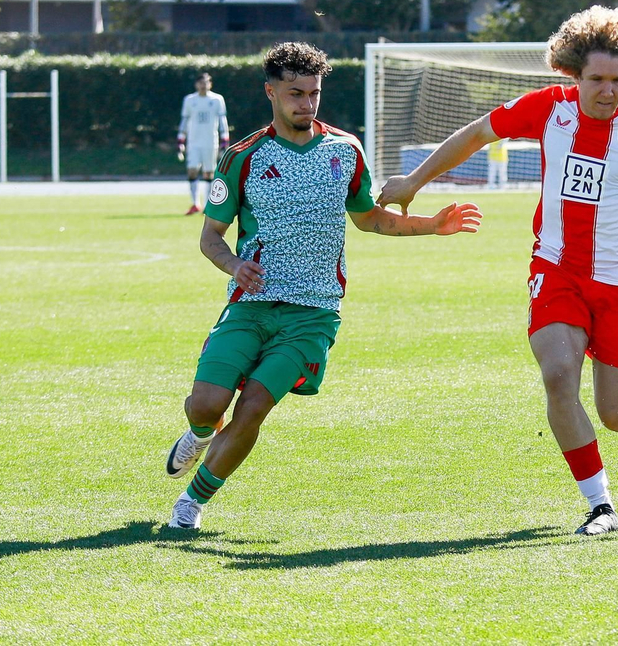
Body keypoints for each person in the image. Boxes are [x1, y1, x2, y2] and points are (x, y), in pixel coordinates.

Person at [378, 6, 618, 538]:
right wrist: (415, 182)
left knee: (617, 417)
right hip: (556, 269)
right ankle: (600, 504)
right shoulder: (548, 108)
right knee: (558, 375)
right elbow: (476, 134)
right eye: (597, 80)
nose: (608, 91)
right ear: (573, 74)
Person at [164, 42, 480, 531]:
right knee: (207, 404)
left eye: (313, 93)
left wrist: (429, 225)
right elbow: (210, 237)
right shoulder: (241, 156)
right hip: (251, 304)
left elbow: (371, 219)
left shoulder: (345, 150)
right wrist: (234, 267)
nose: (306, 104)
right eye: (295, 93)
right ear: (271, 92)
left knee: (251, 410)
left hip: (312, 313)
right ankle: (201, 432)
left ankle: (193, 502)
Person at [178, 72, 230, 215]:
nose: (203, 85)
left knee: (209, 173)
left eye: (206, 82)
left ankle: (208, 204)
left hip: (210, 141)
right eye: (201, 82)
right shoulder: (190, 100)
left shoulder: (217, 99)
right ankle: (195, 203)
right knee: (192, 170)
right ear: (196, 84)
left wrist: (224, 140)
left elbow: (222, 122)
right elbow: (185, 120)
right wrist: (181, 140)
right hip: (194, 142)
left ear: (210, 84)